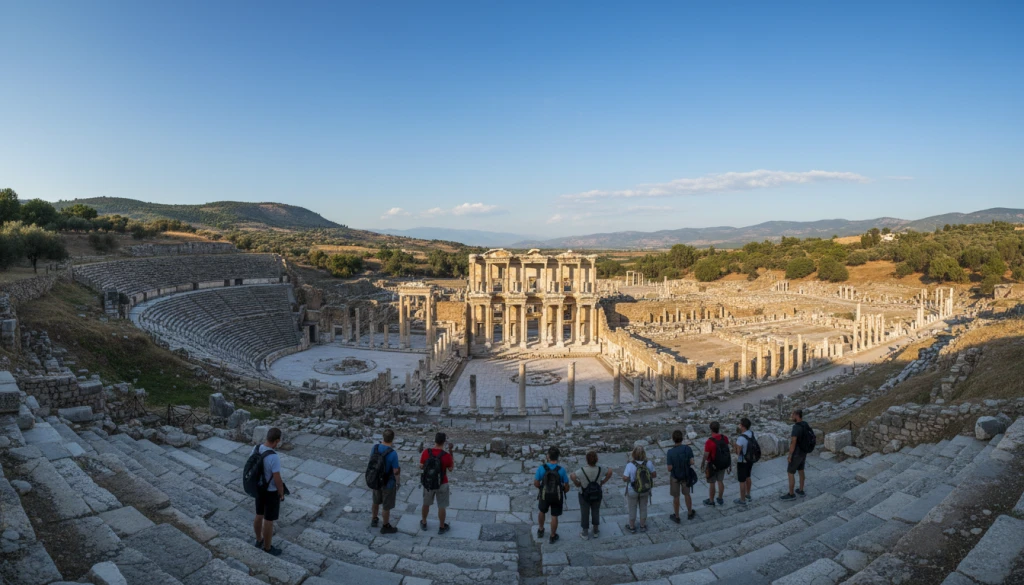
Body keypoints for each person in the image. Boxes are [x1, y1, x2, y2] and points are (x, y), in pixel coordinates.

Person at [252, 427, 285, 556]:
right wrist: (281, 492)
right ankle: (267, 548)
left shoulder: (256, 448)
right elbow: (277, 478)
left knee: (258, 515)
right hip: (270, 491)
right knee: (268, 520)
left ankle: (258, 539)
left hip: (258, 488)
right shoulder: (273, 457)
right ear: (277, 441)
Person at [570, 451, 613, 540]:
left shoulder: (582, 470)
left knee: (584, 512)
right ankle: (596, 531)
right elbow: (610, 471)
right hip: (597, 493)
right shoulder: (600, 469)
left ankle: (585, 532)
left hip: (584, 494)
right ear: (596, 459)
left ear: (587, 460)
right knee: (596, 510)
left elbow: (572, 476)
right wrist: (603, 482)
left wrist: (577, 483)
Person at [420, 432, 455, 534]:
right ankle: (441, 526)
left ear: (435, 440)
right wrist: (451, 452)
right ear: (444, 442)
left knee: (426, 504)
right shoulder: (446, 455)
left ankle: (424, 522)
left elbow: (421, 466)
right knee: (441, 506)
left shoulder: (426, 452)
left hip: (428, 483)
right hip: (442, 483)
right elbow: (451, 469)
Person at [534, 446, 571, 543]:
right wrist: (564, 490)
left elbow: (536, 483)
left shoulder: (542, 468)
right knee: (554, 515)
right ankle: (552, 535)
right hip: (556, 495)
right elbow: (566, 485)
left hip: (544, 494)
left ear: (548, 457)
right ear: (558, 457)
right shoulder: (561, 470)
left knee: (542, 511)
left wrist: (541, 488)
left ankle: (541, 530)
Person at [370, 429, 401, 534]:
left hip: (376, 480)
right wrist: (398, 482)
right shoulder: (393, 453)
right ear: (392, 439)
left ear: (383, 437)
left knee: (375, 501)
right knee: (386, 506)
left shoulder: (375, 448)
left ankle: (374, 519)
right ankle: (385, 525)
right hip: (388, 483)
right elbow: (395, 471)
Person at [623, 445, 656, 533]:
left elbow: (625, 478)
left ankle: (632, 527)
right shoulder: (648, 463)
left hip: (632, 490)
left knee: (632, 508)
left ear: (633, 454)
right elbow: (654, 475)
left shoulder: (630, 465)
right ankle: (642, 526)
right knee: (643, 507)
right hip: (645, 489)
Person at [666, 430, 696, 522]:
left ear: (673, 439)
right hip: (686, 475)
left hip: (675, 476)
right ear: (682, 438)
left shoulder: (670, 452)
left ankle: (677, 516)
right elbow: (692, 462)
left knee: (676, 497)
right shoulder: (687, 449)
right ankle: (690, 513)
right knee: (687, 494)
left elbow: (669, 468)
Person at [781, 410, 810, 500]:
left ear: (797, 415)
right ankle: (801, 490)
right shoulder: (805, 424)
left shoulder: (796, 427)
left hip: (796, 453)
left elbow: (793, 442)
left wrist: (790, 455)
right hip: (803, 452)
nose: (791, 416)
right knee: (801, 470)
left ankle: (791, 494)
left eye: (793, 415)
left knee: (790, 472)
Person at [702, 421, 730, 507]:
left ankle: (711, 501)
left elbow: (706, 455)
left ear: (711, 429)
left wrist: (703, 463)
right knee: (720, 481)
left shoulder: (709, 441)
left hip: (713, 464)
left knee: (712, 483)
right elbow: (727, 450)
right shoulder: (724, 438)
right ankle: (720, 498)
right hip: (722, 463)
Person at [734, 418, 754, 505]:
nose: (739, 425)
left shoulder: (741, 438)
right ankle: (748, 494)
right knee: (748, 476)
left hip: (742, 461)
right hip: (750, 459)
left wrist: (735, 446)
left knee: (742, 480)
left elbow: (738, 452)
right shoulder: (751, 433)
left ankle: (742, 499)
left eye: (740, 424)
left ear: (743, 426)